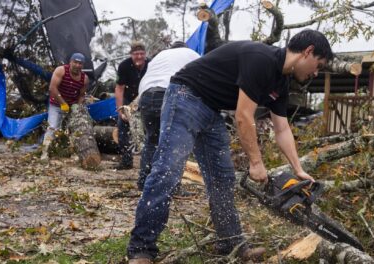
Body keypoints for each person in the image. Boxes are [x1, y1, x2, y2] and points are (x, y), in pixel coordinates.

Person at [126, 29, 334, 264]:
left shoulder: (281, 82)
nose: (316, 72)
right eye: (318, 65)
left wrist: (298, 170)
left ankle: (231, 243)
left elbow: (282, 129)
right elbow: (244, 117)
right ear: (308, 52)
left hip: (211, 109)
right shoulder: (262, 59)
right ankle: (141, 248)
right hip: (185, 95)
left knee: (222, 178)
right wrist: (256, 163)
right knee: (168, 169)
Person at [137, 41, 200, 191]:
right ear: (185, 49)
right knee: (176, 142)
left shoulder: (160, 56)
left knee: (151, 139)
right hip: (168, 92)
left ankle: (143, 181)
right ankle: (172, 186)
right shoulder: (192, 54)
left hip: (146, 94)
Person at [41, 53, 89, 161]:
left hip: (72, 105)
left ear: (82, 65)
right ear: (70, 62)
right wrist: (62, 103)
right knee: (52, 127)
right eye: (75, 62)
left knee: (73, 130)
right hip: (56, 104)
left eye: (80, 63)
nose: (77, 65)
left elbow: (81, 95)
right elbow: (52, 88)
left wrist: (77, 107)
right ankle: (44, 152)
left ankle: (73, 153)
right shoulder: (61, 70)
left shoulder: (84, 79)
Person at [114, 41, 150, 170]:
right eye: (136, 54)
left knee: (149, 129)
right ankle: (126, 160)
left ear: (145, 54)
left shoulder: (151, 64)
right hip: (129, 99)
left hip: (147, 98)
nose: (139, 57)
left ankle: (149, 161)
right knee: (123, 128)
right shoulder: (124, 66)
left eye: (141, 54)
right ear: (131, 54)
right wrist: (120, 110)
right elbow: (119, 88)